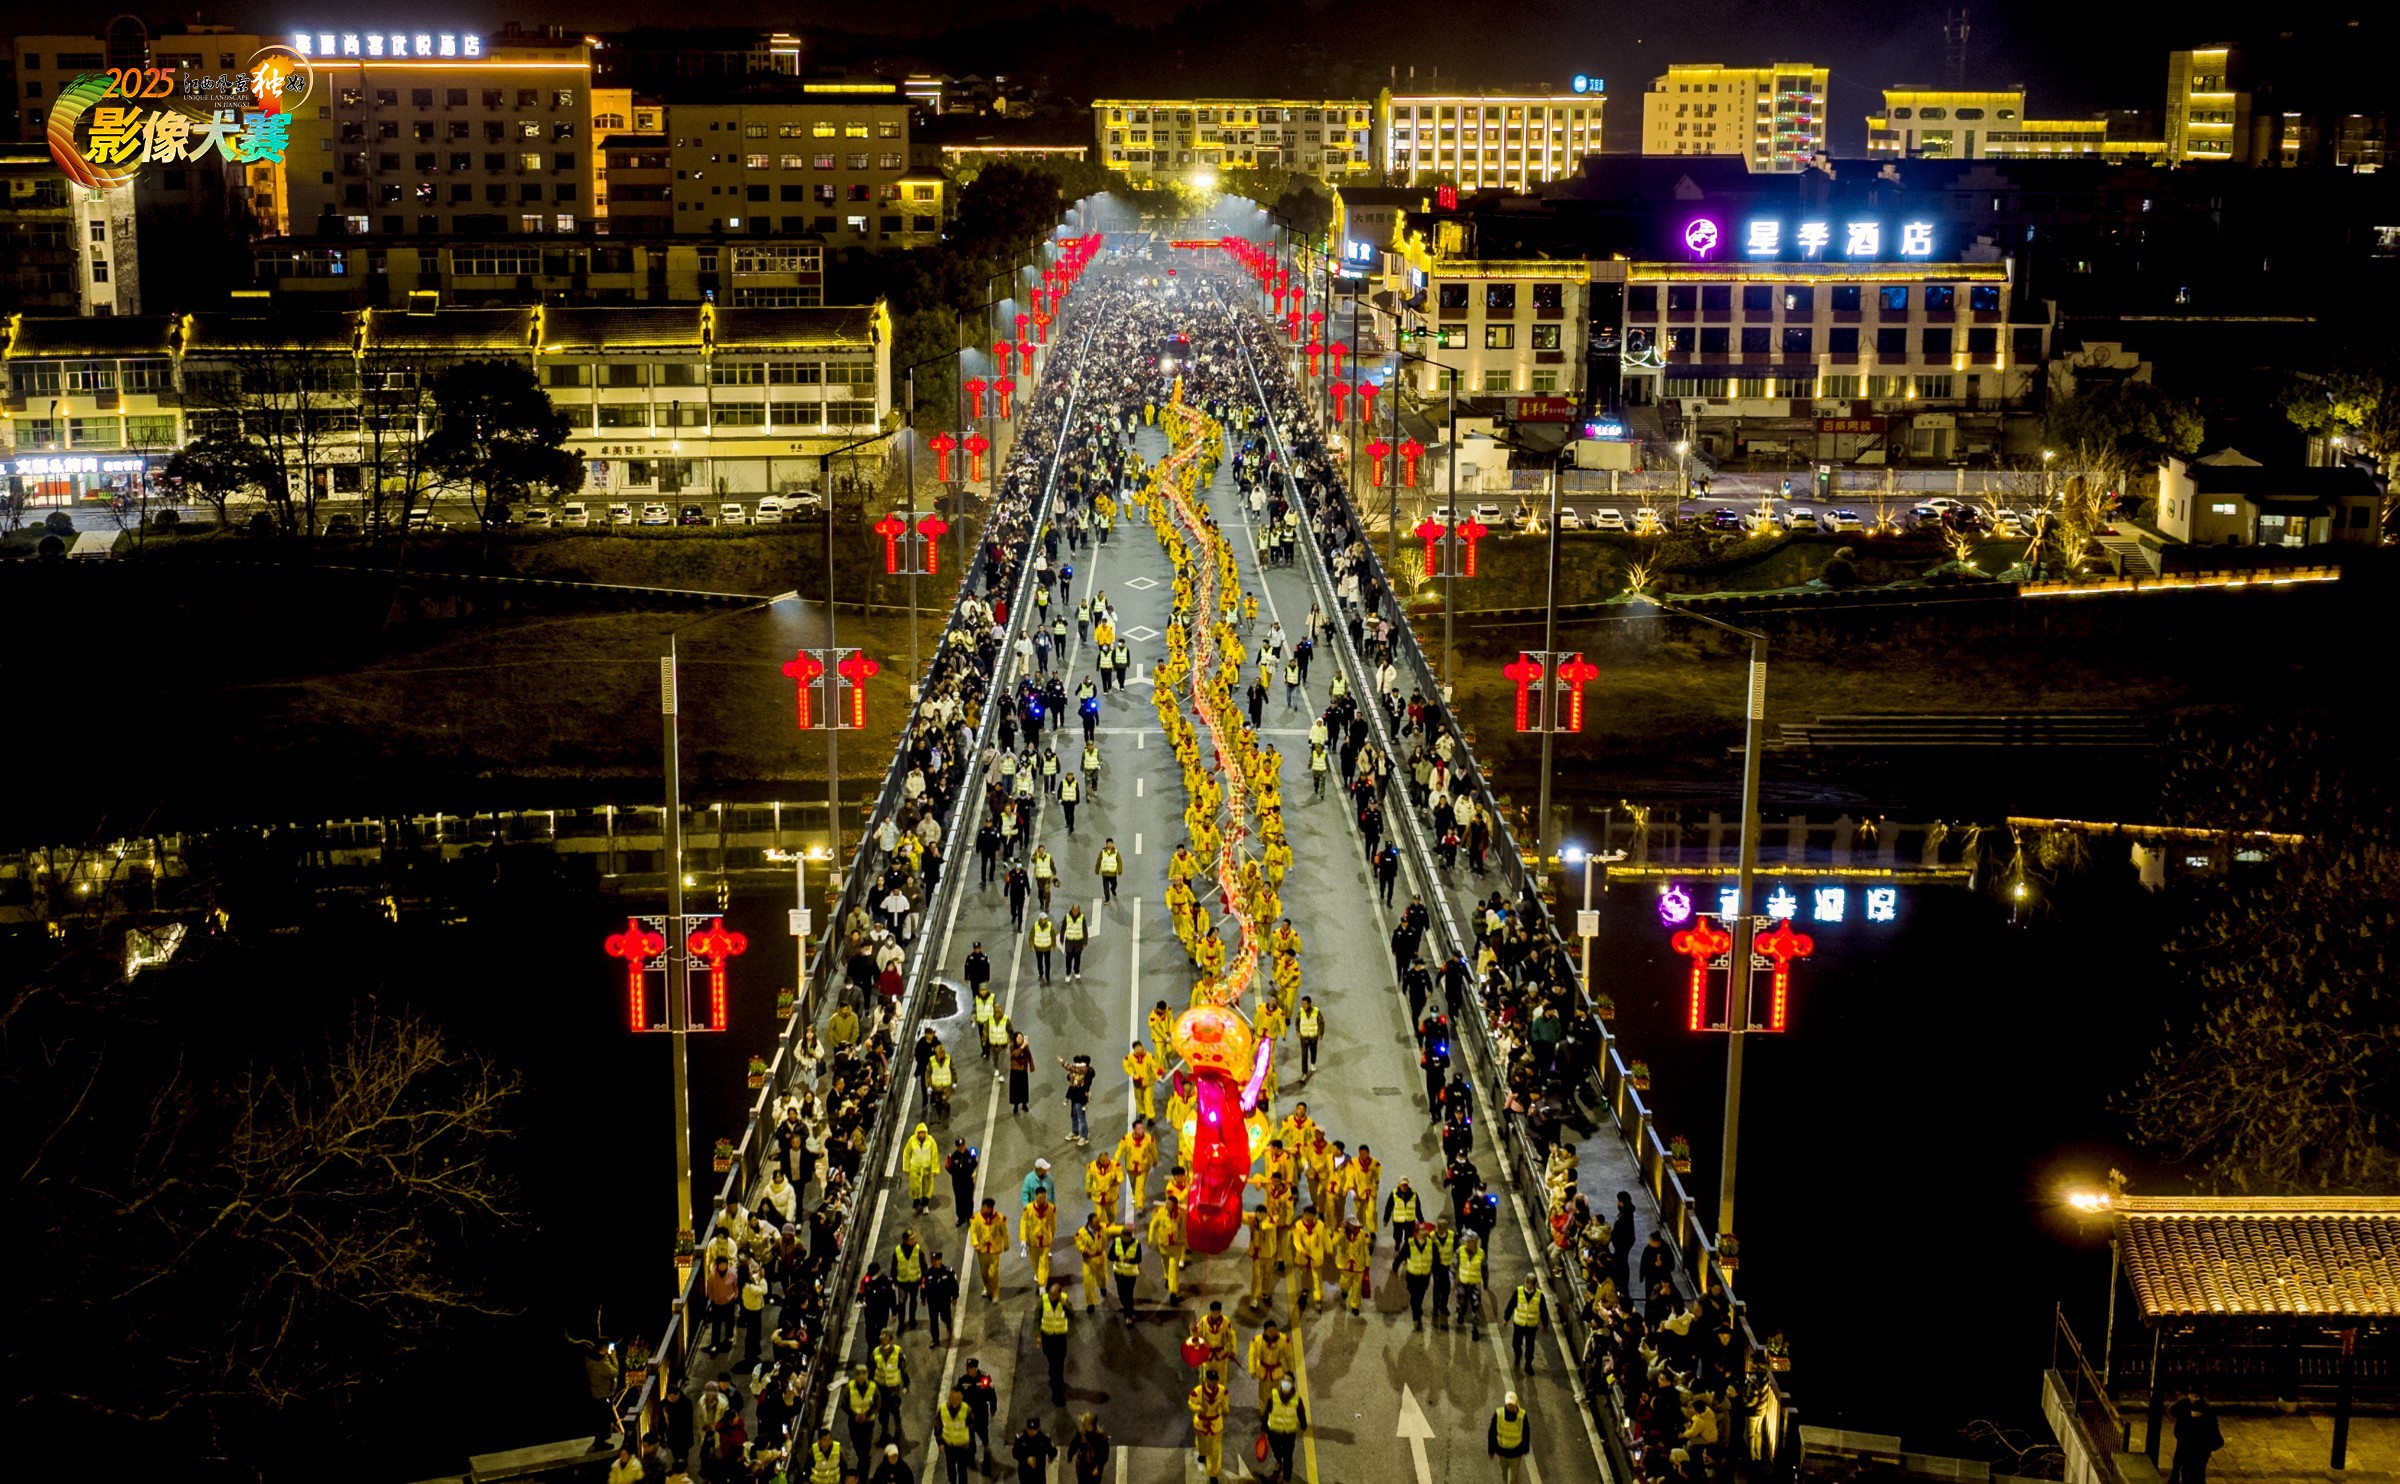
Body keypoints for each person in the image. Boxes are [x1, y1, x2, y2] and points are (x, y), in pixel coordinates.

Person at [2170, 1395, 2224, 1484]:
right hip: (2193, 1447)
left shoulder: (2205, 1411)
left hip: (2197, 1447)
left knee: (2193, 1471)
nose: (2193, 1399)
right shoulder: (2186, 1405)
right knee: (2193, 1472)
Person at [1263, 1375, 1308, 1482]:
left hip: (1289, 1433)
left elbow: (1301, 1414)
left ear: (1293, 1384)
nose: (1285, 1383)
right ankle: (1279, 1461)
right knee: (1276, 1450)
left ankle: (1287, 1477)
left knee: (1288, 1457)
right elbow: (1267, 1411)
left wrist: (1303, 1424)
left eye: (1288, 1381)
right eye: (1284, 1380)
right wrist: (1264, 1426)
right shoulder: (1273, 1396)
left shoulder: (1297, 1399)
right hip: (1274, 1432)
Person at [1189, 1369, 1231, 1480]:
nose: (1213, 1382)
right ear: (1206, 1379)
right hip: (1201, 1423)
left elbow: (1225, 1403)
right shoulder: (1198, 1391)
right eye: (1211, 1380)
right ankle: (1202, 1452)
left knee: (1215, 1450)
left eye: (1215, 1380)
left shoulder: (1223, 1391)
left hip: (1215, 1423)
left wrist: (1225, 1410)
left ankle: (1213, 1474)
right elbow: (1191, 1402)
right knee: (1202, 1444)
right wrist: (1198, 1408)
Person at [969, 1198, 1011, 1301]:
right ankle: (987, 1288)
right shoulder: (976, 1218)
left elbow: (1004, 1232)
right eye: (985, 1207)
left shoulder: (999, 1218)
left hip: (994, 1250)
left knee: (993, 1273)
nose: (986, 1209)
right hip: (982, 1251)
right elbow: (973, 1232)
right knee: (984, 1273)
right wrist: (976, 1244)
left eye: (989, 1208)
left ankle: (995, 1292)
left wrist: (1006, 1243)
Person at [1039, 1279, 1074, 1403]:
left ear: (1059, 1294)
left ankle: (1057, 1393)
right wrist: (1037, 1336)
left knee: (1058, 1364)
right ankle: (1055, 1379)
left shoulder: (1064, 1300)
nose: (1053, 1296)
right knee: (1053, 1363)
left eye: (1055, 1294)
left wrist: (1064, 1305)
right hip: (1048, 1338)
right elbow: (1037, 1318)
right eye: (1051, 1294)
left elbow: (1071, 1315)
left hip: (1059, 1339)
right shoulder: (1043, 1301)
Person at [936, 1389, 977, 1484]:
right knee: (951, 1470)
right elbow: (938, 1427)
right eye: (952, 1398)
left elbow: (972, 1427)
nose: (954, 1401)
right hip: (949, 1446)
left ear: (961, 1399)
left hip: (962, 1446)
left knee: (962, 1470)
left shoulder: (966, 1409)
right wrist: (940, 1443)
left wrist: (970, 1444)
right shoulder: (942, 1409)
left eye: (957, 1399)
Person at [1490, 1393, 1532, 1483]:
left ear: (1516, 1404)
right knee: (1504, 1472)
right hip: (1502, 1451)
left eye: (1512, 1404)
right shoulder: (1499, 1414)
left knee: (1514, 1475)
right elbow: (1492, 1432)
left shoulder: (1522, 1415)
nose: (1510, 1406)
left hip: (1515, 1452)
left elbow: (1526, 1432)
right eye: (1508, 1404)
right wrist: (1491, 1450)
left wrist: (1525, 1448)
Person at [902, 1122, 941, 1215]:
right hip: (915, 1169)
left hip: (927, 1170)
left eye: (923, 1133)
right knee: (915, 1188)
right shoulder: (912, 1141)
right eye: (920, 1133)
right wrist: (906, 1168)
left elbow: (934, 1155)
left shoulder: (931, 1141)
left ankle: (925, 1205)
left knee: (926, 1189)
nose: (922, 1135)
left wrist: (935, 1169)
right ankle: (916, 1204)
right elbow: (906, 1154)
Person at [1508, 1276, 1546, 1370]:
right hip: (1519, 1324)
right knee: (1515, 1344)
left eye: (1531, 1284)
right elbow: (1511, 1305)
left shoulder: (1539, 1295)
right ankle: (1518, 1355)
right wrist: (1506, 1318)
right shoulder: (1518, 1292)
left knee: (1530, 1347)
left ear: (1534, 1285)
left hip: (1531, 1326)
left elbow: (1543, 1310)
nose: (1529, 1286)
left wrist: (1545, 1324)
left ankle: (1528, 1364)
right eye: (1527, 1283)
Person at [922, 1251, 959, 1345]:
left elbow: (954, 1285)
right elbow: (923, 1286)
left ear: (940, 1260)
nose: (934, 1262)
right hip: (932, 1301)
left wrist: (955, 1297)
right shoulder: (927, 1273)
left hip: (944, 1300)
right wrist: (923, 1298)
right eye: (933, 1260)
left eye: (936, 1260)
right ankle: (935, 1339)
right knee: (933, 1320)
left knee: (945, 1317)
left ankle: (948, 1325)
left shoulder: (948, 1271)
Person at [1109, 1221, 1144, 1318]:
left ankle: (1128, 1314)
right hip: (1118, 1272)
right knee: (1121, 1292)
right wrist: (1118, 1258)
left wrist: (1129, 1260)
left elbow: (1138, 1259)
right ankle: (1127, 1306)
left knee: (1128, 1293)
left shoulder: (1136, 1244)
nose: (1124, 1239)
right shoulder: (1117, 1242)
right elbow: (1110, 1256)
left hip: (1130, 1274)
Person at [1069, 1413, 1112, 1484]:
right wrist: (1070, 1454)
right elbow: (1074, 1445)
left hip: (1094, 1465)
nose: (1087, 1427)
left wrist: (1099, 1467)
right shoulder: (1081, 1434)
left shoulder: (1100, 1436)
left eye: (1088, 1425)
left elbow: (1104, 1454)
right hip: (1082, 1466)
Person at [1011, 1420, 1058, 1484]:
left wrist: (1050, 1457)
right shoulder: (1021, 1438)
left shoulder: (1044, 1438)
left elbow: (1053, 1451)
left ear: (1038, 1429)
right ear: (1027, 1428)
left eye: (1034, 1429)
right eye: (1030, 1429)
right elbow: (1015, 1453)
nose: (1032, 1431)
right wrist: (1026, 1459)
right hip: (1025, 1474)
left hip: (1039, 1475)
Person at [945, 1138, 979, 1227]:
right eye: (959, 1146)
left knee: (968, 1200)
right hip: (957, 1182)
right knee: (959, 1200)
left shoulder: (971, 1154)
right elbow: (948, 1167)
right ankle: (961, 1218)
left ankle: (969, 1217)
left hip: (968, 1182)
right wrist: (956, 1174)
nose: (961, 1148)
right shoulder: (953, 1156)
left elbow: (975, 1163)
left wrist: (968, 1172)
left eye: (962, 1145)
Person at [1295, 995, 1323, 1075]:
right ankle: (1304, 1072)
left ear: (1309, 1004)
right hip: (1303, 1037)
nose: (1303, 1006)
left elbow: (1321, 1022)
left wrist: (1320, 1033)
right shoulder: (1301, 1011)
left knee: (1313, 1051)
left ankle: (1313, 1063)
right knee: (1304, 1055)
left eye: (1304, 1004)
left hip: (1313, 1037)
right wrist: (1298, 1031)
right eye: (1302, 1004)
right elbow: (1297, 1022)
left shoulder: (1316, 1011)